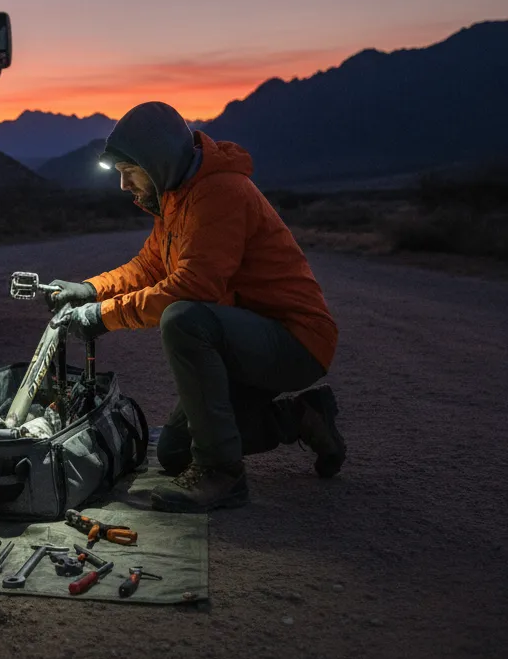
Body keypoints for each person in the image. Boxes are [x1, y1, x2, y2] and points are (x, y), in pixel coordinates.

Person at [49, 101, 345, 512]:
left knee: (184, 318)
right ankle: (303, 418)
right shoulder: (177, 197)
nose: (123, 186)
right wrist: (89, 290)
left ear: (157, 161)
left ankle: (223, 475)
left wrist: (103, 317)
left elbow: (193, 287)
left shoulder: (220, 193)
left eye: (128, 172)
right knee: (174, 452)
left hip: (294, 338)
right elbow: (150, 265)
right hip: (244, 337)